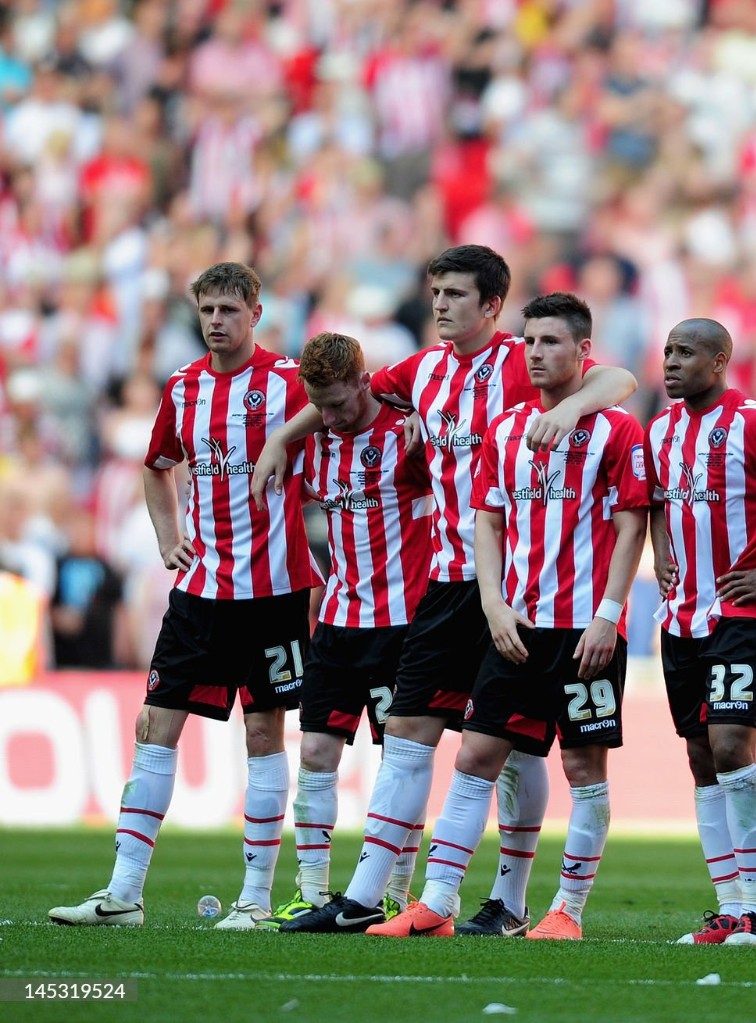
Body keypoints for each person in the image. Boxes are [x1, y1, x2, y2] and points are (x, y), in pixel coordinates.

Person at [271, 250, 636, 936]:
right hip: (444, 582)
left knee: (515, 748)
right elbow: (343, 396)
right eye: (435, 291)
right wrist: (281, 440)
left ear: (492, 305)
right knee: (409, 730)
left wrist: (573, 407)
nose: (439, 303)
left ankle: (509, 898)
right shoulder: (421, 372)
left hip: (516, 586)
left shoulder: (521, 359)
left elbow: (619, 378)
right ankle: (366, 895)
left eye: (456, 294)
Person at [50, 262, 323, 929]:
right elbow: (156, 467)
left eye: (229, 309)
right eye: (207, 310)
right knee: (154, 723)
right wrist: (169, 536)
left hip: (275, 591)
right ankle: (123, 894)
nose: (216, 321)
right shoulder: (184, 386)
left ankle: (255, 899)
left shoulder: (289, 382)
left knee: (263, 729)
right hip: (200, 590)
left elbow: (344, 408)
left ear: (256, 313)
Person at [368, 292, 649, 940]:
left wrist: (609, 616)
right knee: (476, 756)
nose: (536, 353)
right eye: (529, 342)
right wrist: (493, 603)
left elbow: (632, 527)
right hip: (518, 627)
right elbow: (487, 521)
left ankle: (567, 910)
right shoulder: (506, 429)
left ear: (583, 351)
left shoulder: (616, 431)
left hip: (584, 632)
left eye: (551, 342)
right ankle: (437, 903)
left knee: (583, 769)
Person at [256, 332, 431, 929]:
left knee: (399, 760)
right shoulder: (315, 445)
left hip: (401, 626)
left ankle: (395, 892)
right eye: (317, 406)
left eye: (336, 403)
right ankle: (311, 888)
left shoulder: (409, 438)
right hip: (336, 621)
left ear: (364, 381)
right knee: (315, 751)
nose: (328, 417)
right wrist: (282, 438)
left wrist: (422, 416)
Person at [646, 319, 756, 946]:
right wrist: (660, 549)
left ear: (719, 361)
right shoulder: (660, 429)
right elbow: (657, 502)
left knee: (732, 745)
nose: (671, 362)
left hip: (741, 613)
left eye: (685, 352)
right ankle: (730, 908)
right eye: (668, 352)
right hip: (681, 616)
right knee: (700, 757)